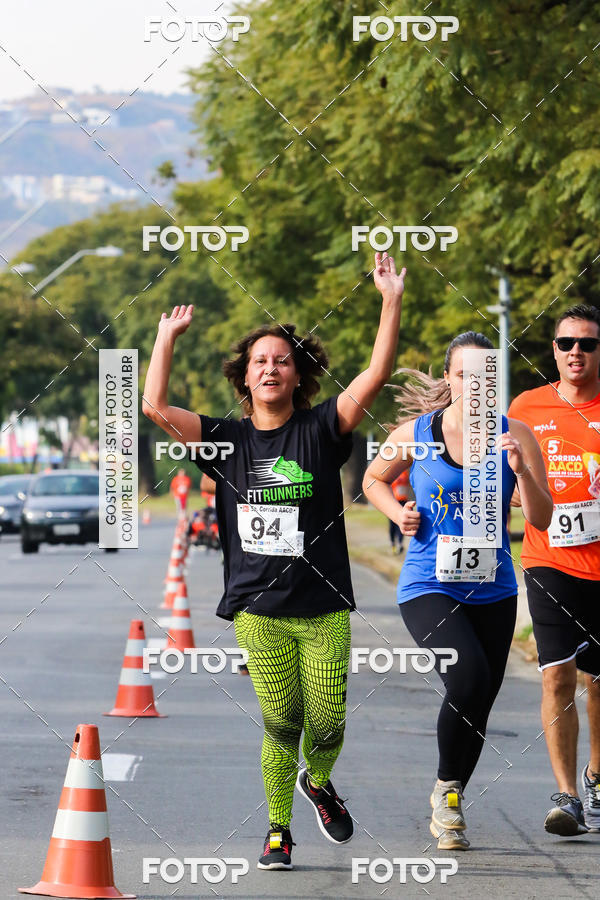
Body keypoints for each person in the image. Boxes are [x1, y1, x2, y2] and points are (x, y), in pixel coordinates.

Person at [142, 252, 405, 870]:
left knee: (330, 720)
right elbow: (155, 407)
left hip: (323, 606)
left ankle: (320, 780)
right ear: (245, 377)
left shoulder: (321, 428)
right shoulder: (225, 439)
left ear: (297, 374)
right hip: (258, 609)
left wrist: (389, 299)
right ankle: (278, 830)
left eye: (281, 361)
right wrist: (164, 338)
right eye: (260, 361)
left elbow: (376, 371)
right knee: (282, 720)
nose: (270, 368)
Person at [363, 332, 552, 851]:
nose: (475, 385)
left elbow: (541, 516)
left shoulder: (518, 435)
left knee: (481, 698)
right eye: (465, 374)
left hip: (494, 587)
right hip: (429, 584)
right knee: (466, 675)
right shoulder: (417, 433)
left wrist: (522, 474)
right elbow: (372, 479)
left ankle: (451, 797)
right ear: (450, 379)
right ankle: (447, 790)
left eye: (484, 375)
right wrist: (396, 511)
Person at [508, 304, 600, 836]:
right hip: (549, 561)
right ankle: (566, 795)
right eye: (566, 343)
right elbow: (495, 470)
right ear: (554, 350)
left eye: (587, 344)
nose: (575, 353)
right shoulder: (528, 407)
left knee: (599, 681)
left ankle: (595, 775)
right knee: (558, 675)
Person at [389, 470, 411, 553]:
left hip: (403, 501)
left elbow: (407, 485)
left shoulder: (405, 473)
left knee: (402, 523)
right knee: (392, 524)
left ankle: (400, 543)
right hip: (393, 501)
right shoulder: (392, 472)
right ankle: (392, 543)